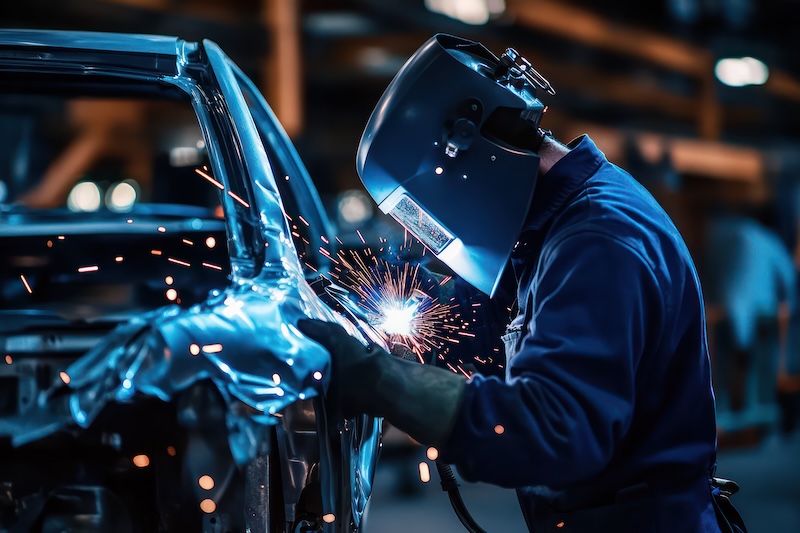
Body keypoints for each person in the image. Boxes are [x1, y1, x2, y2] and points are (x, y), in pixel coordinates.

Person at [298, 34, 747, 532]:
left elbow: (552, 432)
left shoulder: (597, 242)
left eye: (422, 214)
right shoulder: (554, 227)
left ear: (462, 147)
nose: (427, 238)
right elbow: (495, 322)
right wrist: (383, 308)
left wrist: (377, 380)